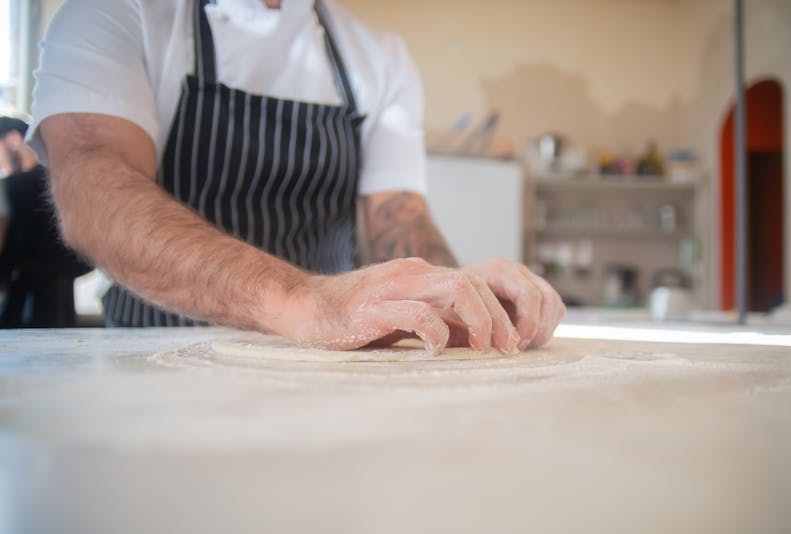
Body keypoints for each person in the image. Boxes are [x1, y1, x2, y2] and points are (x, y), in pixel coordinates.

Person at [28, 0, 565, 354]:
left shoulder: (377, 56)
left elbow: (400, 216)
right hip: (155, 363)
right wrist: (305, 302)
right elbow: (95, 194)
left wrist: (452, 288)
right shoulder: (115, 15)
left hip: (326, 375)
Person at [0, 116, 91, 327]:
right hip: (61, 297)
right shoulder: (66, 178)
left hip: (27, 300)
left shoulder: (17, 186)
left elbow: (13, 244)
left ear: (13, 139)